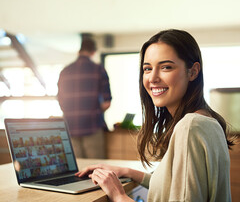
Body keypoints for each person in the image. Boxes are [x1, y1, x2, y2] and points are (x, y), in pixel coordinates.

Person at [75, 29, 234, 201]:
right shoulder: (204, 119)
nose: (152, 78)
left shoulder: (190, 126)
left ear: (193, 72)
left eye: (166, 67)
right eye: (147, 68)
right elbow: (176, 187)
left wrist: (118, 195)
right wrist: (127, 172)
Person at [57, 36, 112, 159]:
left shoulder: (65, 71)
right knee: (96, 170)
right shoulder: (98, 69)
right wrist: (94, 111)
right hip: (92, 126)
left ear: (79, 51)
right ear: (93, 52)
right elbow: (107, 102)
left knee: (76, 170)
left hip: (69, 126)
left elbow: (60, 101)